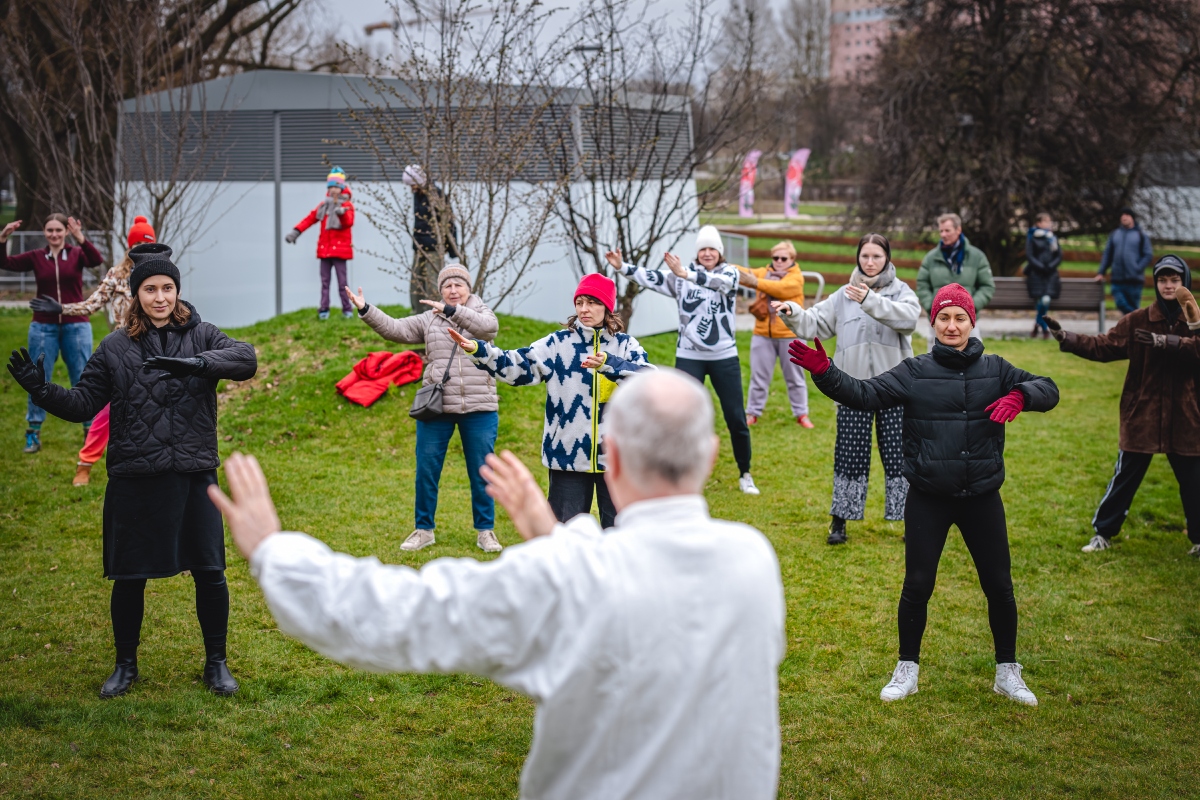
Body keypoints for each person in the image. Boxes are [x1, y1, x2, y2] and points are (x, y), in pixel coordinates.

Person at [208, 368, 786, 800]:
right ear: (710, 458)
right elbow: (630, 577)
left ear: (608, 457)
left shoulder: (569, 580)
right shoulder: (752, 561)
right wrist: (546, 531)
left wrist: (275, 553)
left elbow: (404, 614)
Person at [6, 243, 258, 699]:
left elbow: (247, 359)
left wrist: (197, 364)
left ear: (177, 291)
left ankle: (216, 663)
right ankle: (126, 665)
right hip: (137, 477)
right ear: (136, 294)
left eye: (167, 288)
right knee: (129, 577)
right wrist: (41, 391)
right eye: (150, 289)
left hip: (192, 474)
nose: (160, 297)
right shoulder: (116, 347)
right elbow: (83, 402)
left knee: (210, 572)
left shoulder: (203, 335)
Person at [789, 283, 1059, 705]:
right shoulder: (914, 371)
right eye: (944, 318)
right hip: (929, 497)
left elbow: (1050, 388)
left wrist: (1021, 395)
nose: (952, 326)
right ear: (932, 323)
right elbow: (864, 394)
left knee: (999, 587)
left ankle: (1008, 671)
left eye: (960, 318)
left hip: (982, 496)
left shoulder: (997, 369)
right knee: (917, 586)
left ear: (973, 322)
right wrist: (825, 373)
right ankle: (907, 669)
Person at [448, 274, 649, 528]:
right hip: (567, 457)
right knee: (564, 539)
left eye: (592, 303)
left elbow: (649, 381)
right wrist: (480, 351)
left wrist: (611, 364)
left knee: (621, 536)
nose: (584, 309)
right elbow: (517, 366)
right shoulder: (558, 344)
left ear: (607, 307)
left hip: (617, 459)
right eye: (580, 303)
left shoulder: (625, 346)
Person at [1046, 255, 1200, 557]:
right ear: (1155, 284)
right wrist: (1067, 338)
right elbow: (1104, 345)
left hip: (1186, 413)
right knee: (1125, 479)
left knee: (1194, 482)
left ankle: (1199, 539)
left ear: (1185, 282)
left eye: (1175, 280)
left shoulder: (1195, 320)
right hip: (1142, 413)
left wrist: (1168, 341)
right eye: (1162, 280)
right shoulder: (1139, 320)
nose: (1168, 285)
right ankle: (1103, 533)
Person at [773, 233, 921, 544]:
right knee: (849, 456)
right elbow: (814, 323)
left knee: (900, 456)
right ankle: (840, 522)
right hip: (852, 388)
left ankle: (913, 520)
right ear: (858, 258)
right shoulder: (843, 295)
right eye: (865, 256)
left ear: (887, 259)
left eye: (876, 256)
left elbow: (909, 320)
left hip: (895, 386)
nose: (870, 262)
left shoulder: (901, 293)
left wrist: (869, 299)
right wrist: (793, 313)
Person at [345, 264, 502, 553]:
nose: (453, 291)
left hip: (480, 408)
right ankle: (424, 529)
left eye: (458, 285)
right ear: (440, 290)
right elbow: (395, 329)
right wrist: (366, 309)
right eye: (447, 286)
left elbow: (489, 329)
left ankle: (485, 531)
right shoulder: (429, 320)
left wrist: (453, 312)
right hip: (437, 407)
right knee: (427, 470)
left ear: (469, 288)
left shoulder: (482, 313)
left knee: (482, 472)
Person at [609, 225, 760, 495]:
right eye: (703, 248)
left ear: (720, 252)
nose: (708, 253)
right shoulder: (680, 277)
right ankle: (676, 473)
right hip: (689, 355)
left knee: (735, 417)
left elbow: (721, 284)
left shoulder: (729, 273)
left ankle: (745, 473)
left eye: (712, 248)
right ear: (697, 252)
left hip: (724, 355)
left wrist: (686, 273)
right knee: (680, 415)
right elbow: (651, 277)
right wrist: (622, 267)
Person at [29, 215, 157, 486]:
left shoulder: (161, 275)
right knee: (105, 413)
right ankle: (84, 465)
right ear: (131, 247)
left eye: (150, 245)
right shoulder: (117, 275)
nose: (144, 251)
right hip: (124, 353)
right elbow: (91, 304)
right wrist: (62, 308)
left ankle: (152, 466)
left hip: (156, 352)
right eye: (139, 246)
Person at [1, 213, 103, 453]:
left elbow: (95, 260)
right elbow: (5, 263)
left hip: (76, 324)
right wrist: (3, 238)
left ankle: (89, 430)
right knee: (36, 377)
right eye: (50, 230)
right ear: (44, 233)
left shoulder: (76, 254)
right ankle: (33, 432)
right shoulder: (37, 256)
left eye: (59, 230)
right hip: (43, 326)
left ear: (65, 232)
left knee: (82, 375)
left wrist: (80, 237)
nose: (54, 234)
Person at [737, 241, 813, 428]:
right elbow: (742, 271)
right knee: (758, 377)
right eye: (775, 257)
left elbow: (778, 289)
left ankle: (801, 414)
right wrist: (720, 262)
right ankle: (753, 413)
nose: (778, 261)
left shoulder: (796, 278)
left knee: (795, 377)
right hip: (763, 334)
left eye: (783, 258)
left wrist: (754, 282)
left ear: (792, 259)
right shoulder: (764, 272)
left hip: (791, 336)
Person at [285, 167, 355, 320]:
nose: (333, 190)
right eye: (330, 187)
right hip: (325, 251)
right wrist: (296, 232)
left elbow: (348, 222)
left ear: (342, 187)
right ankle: (324, 309)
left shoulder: (347, 206)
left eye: (336, 186)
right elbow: (310, 219)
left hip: (340, 252)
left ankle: (347, 310)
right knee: (325, 282)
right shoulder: (324, 206)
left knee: (343, 283)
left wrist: (341, 214)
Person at [917, 213, 995, 342]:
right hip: (938, 319)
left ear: (958, 230)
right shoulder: (931, 258)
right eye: (941, 231)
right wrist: (932, 306)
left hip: (968, 320)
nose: (943, 234)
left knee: (972, 357)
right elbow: (922, 284)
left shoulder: (977, 257)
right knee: (935, 359)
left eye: (947, 230)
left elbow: (987, 286)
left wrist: (971, 307)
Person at [403, 164, 461, 311]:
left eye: (413, 185)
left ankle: (433, 314)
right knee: (416, 283)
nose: (412, 189)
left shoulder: (437, 196)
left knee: (433, 284)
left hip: (433, 248)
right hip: (419, 247)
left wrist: (452, 249)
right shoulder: (418, 195)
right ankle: (416, 313)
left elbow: (449, 222)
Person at [1096, 207, 1154, 316]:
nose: (1124, 217)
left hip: (1134, 280)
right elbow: (1108, 255)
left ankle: (1132, 327)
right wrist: (1101, 272)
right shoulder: (1115, 234)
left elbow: (1148, 255)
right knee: (1121, 304)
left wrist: (1137, 267)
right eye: (1122, 215)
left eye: (1127, 215)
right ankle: (1138, 318)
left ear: (1132, 218)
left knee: (1133, 304)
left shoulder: (1141, 235)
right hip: (1117, 279)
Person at [1024, 212, 1062, 339]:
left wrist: (1050, 266)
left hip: (1050, 275)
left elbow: (1059, 255)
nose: (1048, 224)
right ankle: (1045, 328)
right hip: (1036, 275)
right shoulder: (1032, 237)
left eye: (1049, 221)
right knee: (1042, 300)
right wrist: (1040, 266)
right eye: (1045, 221)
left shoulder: (1053, 238)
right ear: (1038, 223)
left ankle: (1037, 324)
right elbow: (1030, 255)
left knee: (1045, 300)